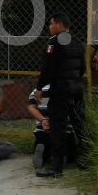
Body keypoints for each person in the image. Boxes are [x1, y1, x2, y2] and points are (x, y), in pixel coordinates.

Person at [35, 12, 85, 178]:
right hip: (77, 89)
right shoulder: (78, 42)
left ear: (59, 24)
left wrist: (40, 87)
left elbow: (48, 67)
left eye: (51, 24)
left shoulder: (54, 42)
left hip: (60, 90)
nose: (49, 27)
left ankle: (56, 167)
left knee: (58, 127)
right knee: (80, 124)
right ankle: (86, 159)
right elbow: (82, 67)